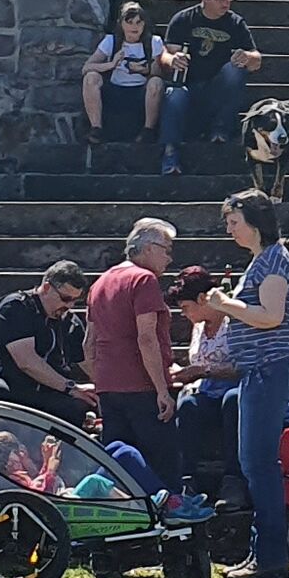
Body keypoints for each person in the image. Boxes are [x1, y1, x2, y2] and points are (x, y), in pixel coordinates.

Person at [204, 190, 289, 578]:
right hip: (258, 371)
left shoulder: (274, 259)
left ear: (255, 221)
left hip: (269, 369)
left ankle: (270, 557)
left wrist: (224, 304)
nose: (229, 229)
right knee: (255, 465)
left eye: (234, 222)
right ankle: (265, 554)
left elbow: (271, 316)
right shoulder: (263, 259)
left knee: (259, 465)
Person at [83, 218, 206, 520]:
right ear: (148, 248)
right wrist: (162, 389)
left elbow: (88, 344)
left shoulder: (100, 283)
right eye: (166, 249)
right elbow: (146, 337)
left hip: (109, 387)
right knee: (162, 458)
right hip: (142, 386)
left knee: (121, 463)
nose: (169, 258)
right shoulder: (144, 280)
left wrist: (101, 380)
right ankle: (174, 511)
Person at [159, 0, 262, 177]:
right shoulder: (183, 19)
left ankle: (221, 128)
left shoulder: (235, 23)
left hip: (217, 90)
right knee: (174, 95)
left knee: (235, 70)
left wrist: (247, 57)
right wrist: (172, 60)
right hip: (188, 88)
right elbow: (166, 55)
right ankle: (170, 153)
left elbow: (257, 60)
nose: (226, 3)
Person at [0, 261, 96, 420]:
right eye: (65, 298)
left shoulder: (69, 321)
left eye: (75, 300)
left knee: (84, 404)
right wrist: (71, 387)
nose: (69, 306)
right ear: (47, 288)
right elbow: (27, 362)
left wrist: (105, 389)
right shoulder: (17, 307)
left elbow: (85, 360)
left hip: (47, 388)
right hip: (12, 384)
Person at [168, 265, 245, 509]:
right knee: (187, 404)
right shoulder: (199, 327)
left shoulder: (234, 322)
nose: (184, 314)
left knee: (233, 401)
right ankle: (186, 479)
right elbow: (197, 364)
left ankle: (234, 480)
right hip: (206, 391)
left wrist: (203, 371)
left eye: (186, 307)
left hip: (235, 389)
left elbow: (243, 366)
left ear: (202, 299)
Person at [79, 0, 167, 145]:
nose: (134, 27)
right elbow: (87, 67)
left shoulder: (154, 42)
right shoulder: (110, 41)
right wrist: (111, 64)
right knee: (91, 77)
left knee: (156, 82)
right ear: (121, 24)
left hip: (141, 90)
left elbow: (159, 72)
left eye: (138, 22)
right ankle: (96, 128)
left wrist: (144, 70)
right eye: (130, 22)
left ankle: (148, 130)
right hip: (115, 88)